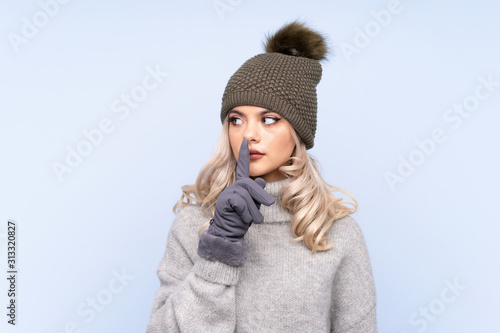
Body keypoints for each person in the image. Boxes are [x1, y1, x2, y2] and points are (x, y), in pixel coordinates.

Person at [146, 21, 377, 332]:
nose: (249, 135)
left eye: (269, 119)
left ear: (298, 131)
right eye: (236, 119)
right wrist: (220, 247)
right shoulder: (193, 225)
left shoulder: (336, 234)